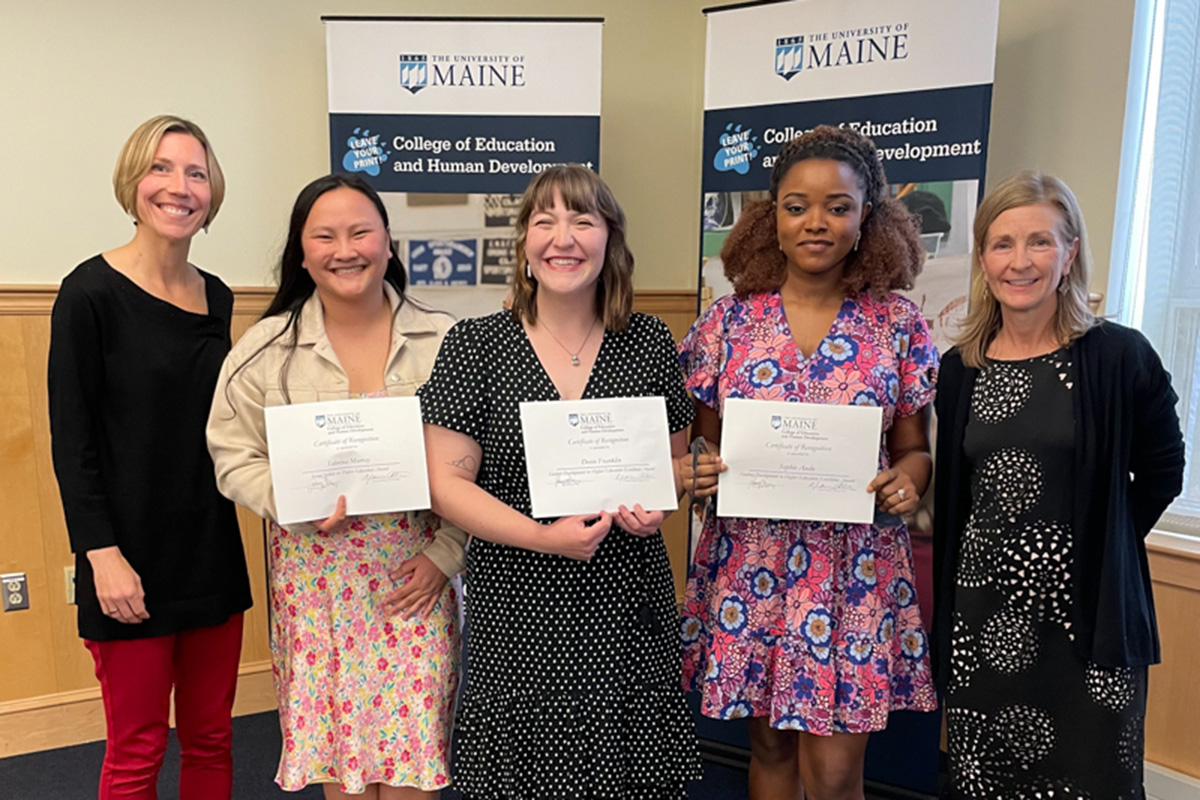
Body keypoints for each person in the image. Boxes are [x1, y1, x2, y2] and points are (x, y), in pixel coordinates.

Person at [419, 164, 702, 799]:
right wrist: (543, 538)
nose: (562, 237)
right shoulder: (476, 345)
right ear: (523, 243)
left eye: (582, 220)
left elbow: (675, 467)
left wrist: (658, 502)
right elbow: (445, 483)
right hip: (519, 599)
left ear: (611, 240)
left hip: (624, 595)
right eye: (544, 221)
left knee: (627, 779)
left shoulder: (650, 341)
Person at [678, 125, 939, 800]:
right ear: (772, 219)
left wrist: (907, 483)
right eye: (797, 207)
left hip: (851, 570)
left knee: (833, 770)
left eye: (838, 207)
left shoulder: (898, 325)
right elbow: (702, 444)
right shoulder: (727, 324)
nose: (816, 223)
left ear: (867, 218)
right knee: (767, 747)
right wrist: (701, 471)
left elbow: (913, 448)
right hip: (751, 562)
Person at [206, 174, 465, 799]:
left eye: (360, 232)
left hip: (415, 583)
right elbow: (230, 454)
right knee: (343, 776)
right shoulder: (265, 348)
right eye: (324, 235)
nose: (344, 248)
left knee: (412, 773)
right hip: (315, 590)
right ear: (302, 252)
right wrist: (292, 501)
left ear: (388, 242)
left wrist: (444, 554)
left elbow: (483, 466)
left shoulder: (447, 340)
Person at [931, 171, 1185, 799]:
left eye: (1040, 242)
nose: (1020, 262)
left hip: (1088, 619)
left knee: (1092, 777)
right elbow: (959, 496)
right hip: (983, 620)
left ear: (1071, 253)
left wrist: (1105, 543)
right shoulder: (960, 369)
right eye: (1002, 244)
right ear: (983, 259)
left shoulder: (1119, 358)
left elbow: (1164, 470)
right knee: (984, 781)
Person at [48, 115, 252, 800]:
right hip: (126, 562)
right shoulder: (89, 293)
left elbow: (225, 425)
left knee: (212, 740)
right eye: (162, 168)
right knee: (136, 750)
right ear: (134, 181)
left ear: (212, 191)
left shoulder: (217, 296)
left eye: (196, 172)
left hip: (210, 551)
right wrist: (99, 554)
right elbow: (71, 441)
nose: (179, 186)